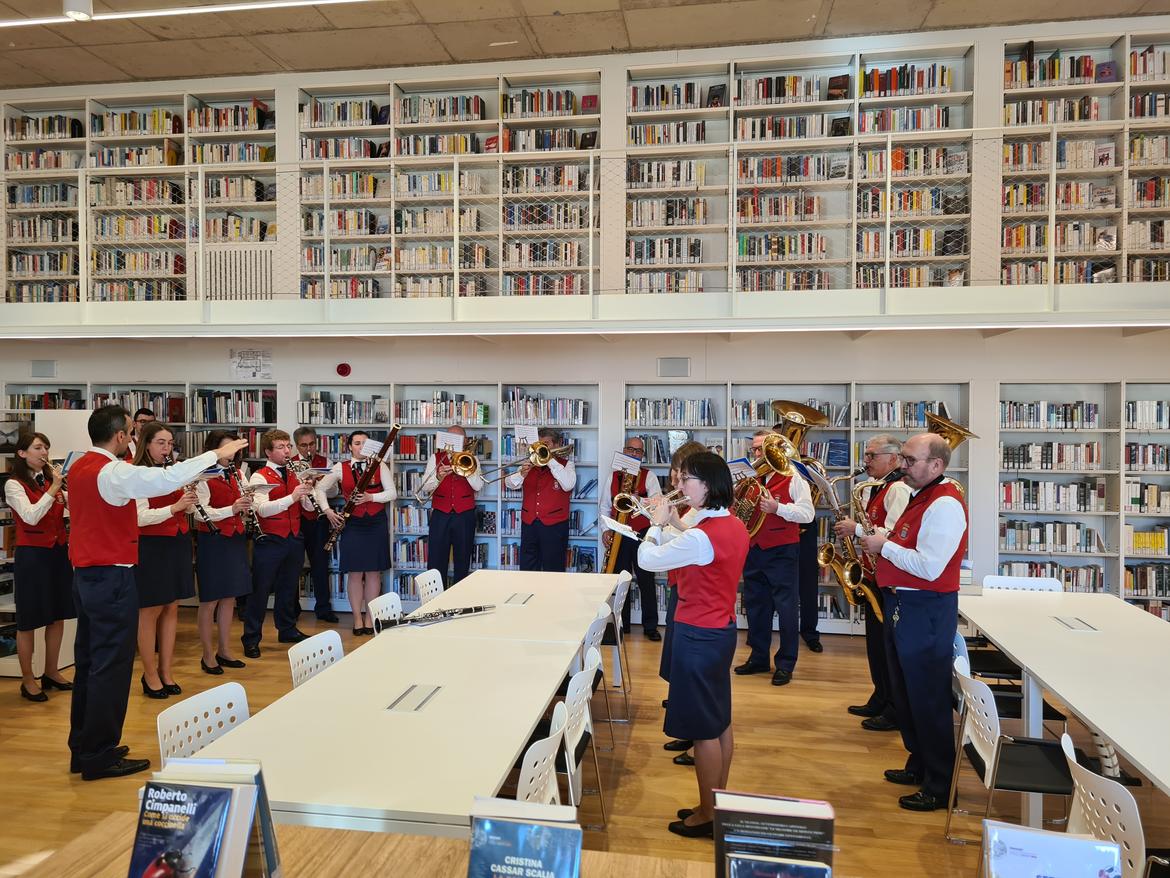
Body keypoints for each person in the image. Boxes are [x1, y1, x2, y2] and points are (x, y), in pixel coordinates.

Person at [68, 404, 246, 780]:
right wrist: (217, 453)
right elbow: (164, 481)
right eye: (131, 433)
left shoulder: (81, 466)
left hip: (86, 574)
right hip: (111, 575)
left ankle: (83, 746)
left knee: (89, 662)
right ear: (120, 436)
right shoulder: (113, 471)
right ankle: (98, 754)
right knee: (110, 666)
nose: (133, 439)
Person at [637, 452, 749, 838]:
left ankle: (707, 814)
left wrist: (654, 525)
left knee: (704, 731)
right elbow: (696, 544)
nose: (680, 487)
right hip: (720, 630)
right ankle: (716, 802)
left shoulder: (703, 535)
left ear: (707, 485)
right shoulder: (732, 525)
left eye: (687, 481)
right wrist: (672, 521)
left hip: (697, 632)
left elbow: (649, 559)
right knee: (720, 721)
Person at [860, 432, 968, 812]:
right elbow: (908, 541)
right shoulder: (921, 495)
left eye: (910, 459)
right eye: (903, 458)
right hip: (905, 604)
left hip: (925, 609)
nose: (903, 465)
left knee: (927, 699)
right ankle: (919, 763)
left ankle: (940, 785)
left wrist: (882, 546)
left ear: (936, 465)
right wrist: (874, 535)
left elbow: (929, 565)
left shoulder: (945, 504)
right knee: (906, 694)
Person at [834, 434, 910, 732]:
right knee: (876, 645)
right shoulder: (875, 488)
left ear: (893, 459)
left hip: (889, 577)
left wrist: (856, 529)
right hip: (873, 575)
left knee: (887, 647)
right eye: (865, 456)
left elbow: (896, 534)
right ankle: (880, 696)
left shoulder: (898, 490)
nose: (865, 462)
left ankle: (893, 708)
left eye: (871, 456)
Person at [735, 430, 815, 686]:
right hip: (753, 549)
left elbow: (808, 514)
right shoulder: (749, 479)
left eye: (763, 449)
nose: (758, 454)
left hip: (782, 550)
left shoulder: (794, 478)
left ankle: (786, 663)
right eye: (755, 450)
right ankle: (759, 657)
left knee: (787, 608)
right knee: (757, 606)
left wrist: (777, 508)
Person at [5, 431, 75, 702]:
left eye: (46, 447)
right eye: (37, 448)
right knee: (30, 620)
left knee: (57, 616)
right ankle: (27, 679)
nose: (44, 452)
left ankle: (51, 671)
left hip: (58, 553)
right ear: (22, 453)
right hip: (32, 556)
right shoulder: (14, 485)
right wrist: (54, 489)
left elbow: (67, 510)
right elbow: (31, 516)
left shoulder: (49, 480)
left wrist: (66, 494)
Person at [132, 421, 197, 699]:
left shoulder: (172, 472)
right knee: (150, 611)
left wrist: (189, 498)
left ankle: (166, 670)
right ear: (146, 444)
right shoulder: (137, 475)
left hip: (178, 540)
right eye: (161, 443)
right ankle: (149, 674)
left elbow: (188, 509)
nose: (166, 449)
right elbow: (139, 517)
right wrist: (175, 507)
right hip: (152, 544)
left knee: (172, 607)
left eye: (170, 443)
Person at [242, 429, 312, 658]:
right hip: (270, 539)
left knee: (288, 587)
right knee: (260, 590)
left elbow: (308, 508)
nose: (287, 451)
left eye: (288, 446)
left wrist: (308, 493)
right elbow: (262, 509)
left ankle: (287, 629)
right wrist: (292, 497)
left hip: (294, 536)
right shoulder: (259, 476)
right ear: (268, 452)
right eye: (281, 447)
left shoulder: (296, 473)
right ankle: (251, 638)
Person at [658, 439, 707, 767]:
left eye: (681, 478)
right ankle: (686, 729)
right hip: (682, 587)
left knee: (690, 669)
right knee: (678, 662)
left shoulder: (707, 512)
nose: (676, 484)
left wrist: (661, 525)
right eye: (675, 477)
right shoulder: (693, 507)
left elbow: (685, 542)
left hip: (696, 596)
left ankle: (696, 737)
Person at [316, 431, 394, 635]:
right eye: (357, 443)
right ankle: (357, 619)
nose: (361, 447)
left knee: (374, 573)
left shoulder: (380, 465)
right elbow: (320, 489)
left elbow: (392, 493)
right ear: (350, 446)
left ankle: (370, 618)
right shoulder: (339, 468)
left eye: (365, 444)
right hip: (353, 524)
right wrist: (327, 511)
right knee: (355, 573)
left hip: (376, 522)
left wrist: (371, 498)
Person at [193, 431, 254, 676]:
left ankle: (225, 650)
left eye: (234, 450)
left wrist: (247, 507)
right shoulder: (202, 476)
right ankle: (207, 655)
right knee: (210, 600)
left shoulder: (238, 473)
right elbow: (199, 513)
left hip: (235, 539)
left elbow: (244, 502)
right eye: (227, 450)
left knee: (229, 598)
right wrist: (232, 508)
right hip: (213, 540)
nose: (232, 454)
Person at [603, 435, 662, 640]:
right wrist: (605, 530)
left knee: (646, 579)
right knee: (621, 581)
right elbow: (604, 506)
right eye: (630, 450)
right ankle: (622, 625)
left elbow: (657, 505)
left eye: (638, 451)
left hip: (641, 533)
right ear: (624, 451)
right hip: (619, 532)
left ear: (642, 455)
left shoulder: (650, 476)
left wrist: (640, 500)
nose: (634, 454)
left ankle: (650, 626)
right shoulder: (613, 476)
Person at [418, 425, 484, 588]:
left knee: (463, 560)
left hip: (465, 515)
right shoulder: (436, 458)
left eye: (458, 439)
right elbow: (425, 487)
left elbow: (478, 486)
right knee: (436, 561)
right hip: (441, 514)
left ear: (465, 441)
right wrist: (439, 476)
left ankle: (459, 601)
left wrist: (466, 470)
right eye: (450, 438)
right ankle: (434, 603)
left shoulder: (472, 459)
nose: (453, 443)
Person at [505, 428, 576, 573]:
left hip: (554, 526)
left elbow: (568, 485)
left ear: (556, 445)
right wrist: (521, 474)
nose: (543, 447)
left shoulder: (566, 465)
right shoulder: (529, 464)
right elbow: (509, 484)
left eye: (547, 444)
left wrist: (549, 460)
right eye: (539, 444)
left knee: (554, 570)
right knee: (528, 569)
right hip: (529, 524)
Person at [293, 427, 337, 623]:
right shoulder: (289, 464)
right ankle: (292, 608)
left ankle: (323, 608)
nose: (308, 448)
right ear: (297, 446)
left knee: (320, 563)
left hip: (318, 520)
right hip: (295, 518)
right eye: (304, 445)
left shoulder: (326, 463)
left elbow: (335, 492)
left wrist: (320, 485)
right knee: (292, 566)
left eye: (312, 444)